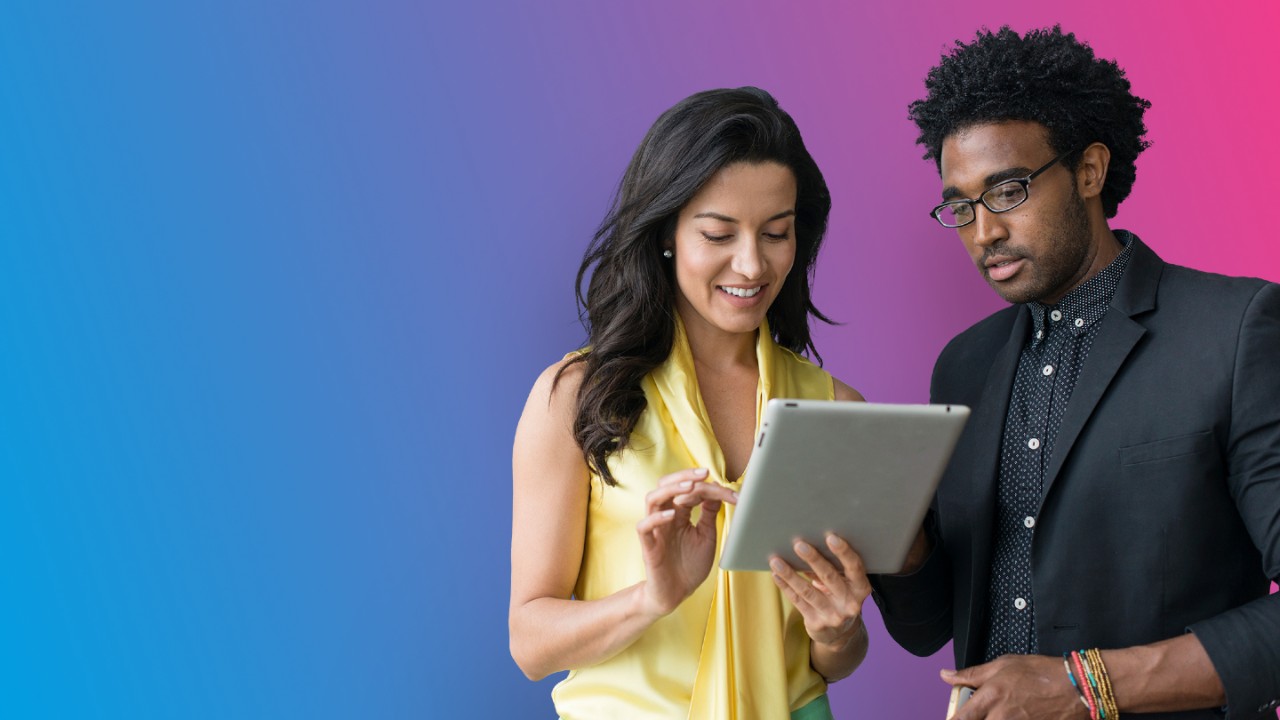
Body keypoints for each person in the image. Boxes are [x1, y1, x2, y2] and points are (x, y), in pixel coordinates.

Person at [869, 26, 1280, 719]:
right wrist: (890, 539)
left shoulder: (1235, 330)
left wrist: (1084, 687)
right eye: (961, 206)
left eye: (1006, 191)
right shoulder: (963, 366)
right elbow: (927, 628)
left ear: (1089, 170)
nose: (984, 232)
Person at [509, 87, 872, 719]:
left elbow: (827, 661)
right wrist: (652, 597)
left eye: (777, 233)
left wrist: (839, 630)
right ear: (668, 233)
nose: (752, 263)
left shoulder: (836, 408)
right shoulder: (576, 397)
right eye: (719, 233)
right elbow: (530, 644)